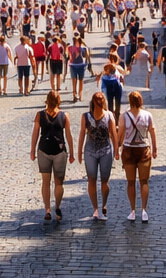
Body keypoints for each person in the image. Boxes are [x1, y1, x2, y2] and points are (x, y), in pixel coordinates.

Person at [30, 90, 74, 221]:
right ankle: (57, 206)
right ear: (59, 101)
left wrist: (32, 150)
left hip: (43, 150)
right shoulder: (64, 116)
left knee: (45, 182)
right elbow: (68, 135)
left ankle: (47, 209)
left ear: (47, 100)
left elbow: (35, 133)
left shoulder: (39, 115)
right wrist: (71, 152)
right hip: (60, 151)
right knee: (59, 182)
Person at [117, 90, 156, 222]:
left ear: (130, 102)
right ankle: (144, 210)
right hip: (144, 149)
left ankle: (132, 210)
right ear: (140, 101)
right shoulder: (147, 115)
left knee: (131, 182)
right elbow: (152, 131)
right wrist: (154, 148)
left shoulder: (124, 116)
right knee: (144, 181)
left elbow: (120, 133)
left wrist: (117, 148)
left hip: (128, 150)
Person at [79, 91, 117, 219]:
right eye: (98, 100)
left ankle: (104, 204)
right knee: (92, 180)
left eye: (102, 100)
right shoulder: (86, 116)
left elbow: (114, 134)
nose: (100, 102)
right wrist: (79, 152)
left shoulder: (109, 116)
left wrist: (117, 150)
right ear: (94, 102)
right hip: (90, 150)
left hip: (105, 149)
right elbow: (81, 134)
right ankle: (95, 208)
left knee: (105, 181)